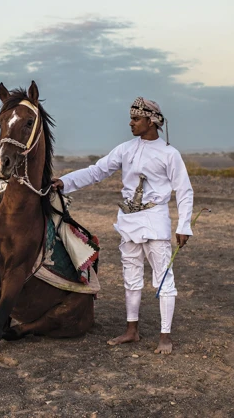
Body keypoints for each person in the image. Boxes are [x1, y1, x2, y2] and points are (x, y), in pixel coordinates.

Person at [52, 97, 193, 354]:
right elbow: (97, 171)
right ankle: (131, 330)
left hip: (156, 223)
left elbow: (184, 191)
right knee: (131, 277)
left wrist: (184, 226)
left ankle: (165, 336)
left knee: (164, 279)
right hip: (128, 222)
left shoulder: (169, 154)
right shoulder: (125, 149)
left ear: (151, 121)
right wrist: (65, 181)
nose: (131, 123)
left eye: (136, 119)